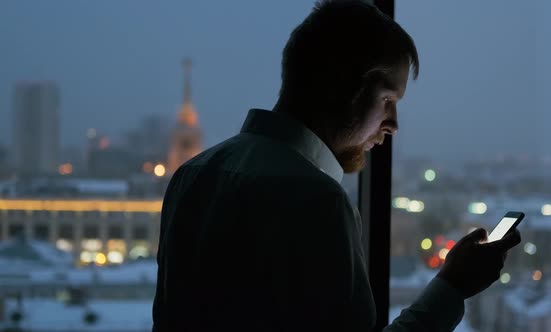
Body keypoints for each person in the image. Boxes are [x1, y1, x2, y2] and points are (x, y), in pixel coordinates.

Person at [152, 1, 521, 331]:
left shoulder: (194, 174)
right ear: (340, 87)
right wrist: (453, 286)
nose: (392, 124)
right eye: (388, 99)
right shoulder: (316, 199)